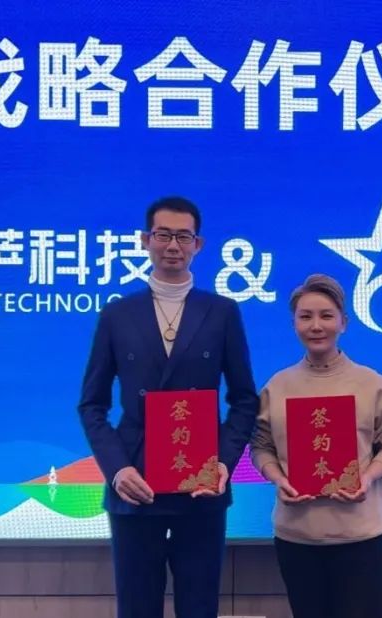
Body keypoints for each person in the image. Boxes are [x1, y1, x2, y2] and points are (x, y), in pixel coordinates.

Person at [78, 196, 259, 618]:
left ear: (199, 244)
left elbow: (244, 400)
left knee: (199, 607)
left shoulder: (222, 312)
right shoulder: (117, 315)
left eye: (183, 236)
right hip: (135, 485)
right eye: (163, 235)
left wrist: (223, 463)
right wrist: (118, 471)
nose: (173, 245)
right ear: (146, 240)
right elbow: (92, 404)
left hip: (202, 486)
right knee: (137, 608)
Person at [251, 273, 382, 618]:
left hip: (359, 537)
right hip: (296, 537)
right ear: (294, 324)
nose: (316, 325)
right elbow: (261, 447)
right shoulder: (278, 385)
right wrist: (277, 478)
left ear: (343, 323)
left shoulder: (370, 383)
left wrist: (367, 476)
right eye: (305, 316)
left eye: (326, 315)